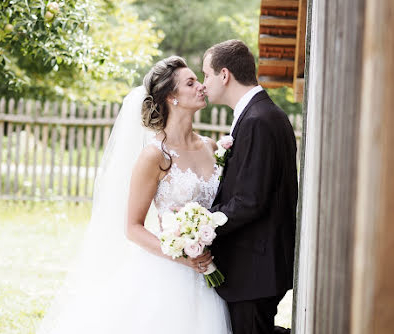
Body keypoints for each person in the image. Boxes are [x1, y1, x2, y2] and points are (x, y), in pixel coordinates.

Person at [36, 56, 232, 334]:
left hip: (209, 270)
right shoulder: (155, 155)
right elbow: (132, 228)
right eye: (190, 83)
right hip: (169, 275)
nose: (201, 86)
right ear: (171, 97)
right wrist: (183, 256)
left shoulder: (211, 146)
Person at [202, 40, 298, 334]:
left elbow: (250, 200)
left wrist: (201, 227)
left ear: (225, 75)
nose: (204, 83)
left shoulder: (259, 120)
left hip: (254, 268)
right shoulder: (259, 114)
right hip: (256, 265)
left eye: (206, 74)